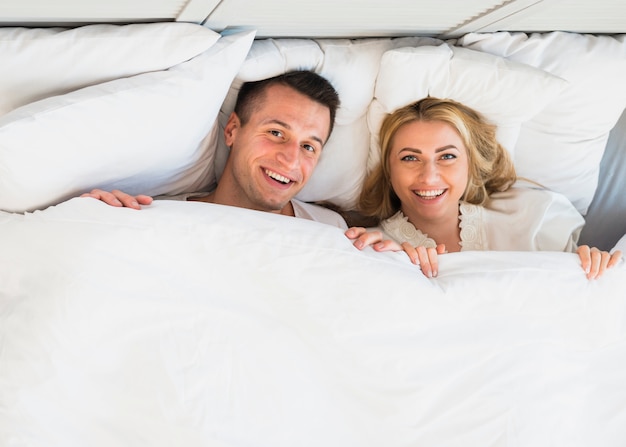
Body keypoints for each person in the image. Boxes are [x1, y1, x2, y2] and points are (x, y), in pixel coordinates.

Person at [345, 97, 622, 279]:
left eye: (447, 156)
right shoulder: (371, 248)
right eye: (409, 158)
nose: (429, 176)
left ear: (470, 164)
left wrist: (590, 269)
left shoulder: (532, 219)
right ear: (388, 170)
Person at [82, 70, 347, 230]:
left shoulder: (332, 230)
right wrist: (92, 217)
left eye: (308, 146)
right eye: (276, 133)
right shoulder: (156, 216)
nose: (290, 160)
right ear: (232, 130)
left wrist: (381, 252)